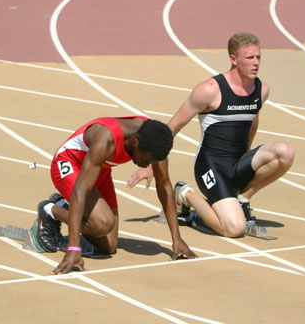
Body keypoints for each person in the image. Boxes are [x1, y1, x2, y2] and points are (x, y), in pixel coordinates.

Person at [128, 32, 295, 237]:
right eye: (249, 58)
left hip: (238, 161)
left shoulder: (261, 89)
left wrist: (247, 157)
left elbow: (253, 120)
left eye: (258, 57)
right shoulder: (209, 90)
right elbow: (171, 128)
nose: (256, 63)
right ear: (233, 59)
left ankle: (242, 199)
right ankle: (186, 194)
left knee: (286, 152)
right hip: (212, 166)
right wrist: (150, 166)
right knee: (235, 229)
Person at [36, 116, 196, 275]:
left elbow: (165, 187)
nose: (147, 165)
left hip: (100, 168)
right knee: (102, 223)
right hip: (70, 163)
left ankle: (64, 204)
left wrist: (177, 238)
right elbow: (80, 191)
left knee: (109, 247)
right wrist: (73, 248)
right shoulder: (106, 138)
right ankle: (50, 210)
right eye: (146, 159)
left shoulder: (155, 141)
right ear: (136, 141)